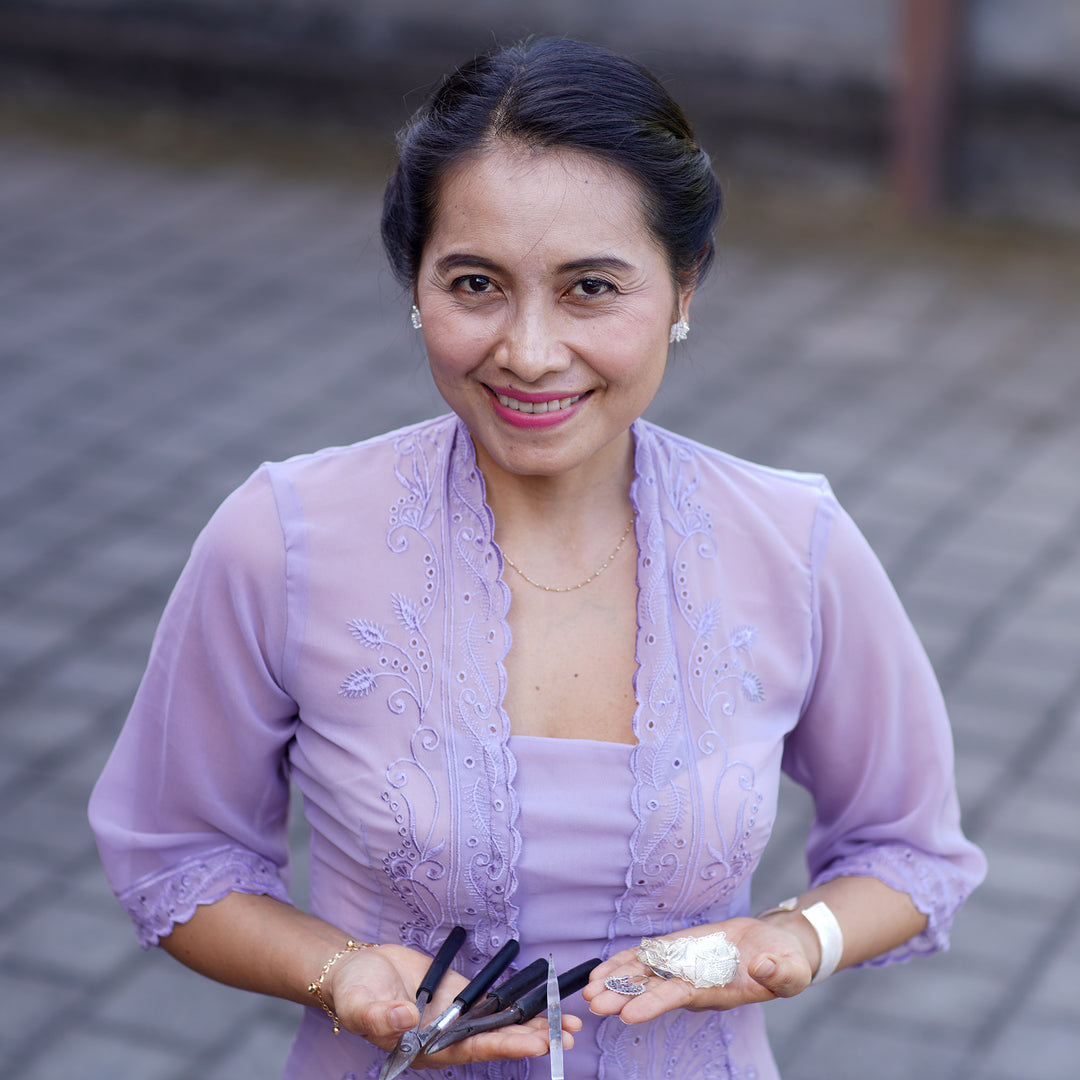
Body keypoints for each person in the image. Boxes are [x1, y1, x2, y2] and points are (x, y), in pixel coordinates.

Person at [89, 36, 986, 1080]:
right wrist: (343, 975)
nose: (528, 350)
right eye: (475, 283)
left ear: (684, 289)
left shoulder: (795, 543)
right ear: (415, 286)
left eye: (591, 288)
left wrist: (794, 942)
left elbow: (911, 852)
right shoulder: (282, 536)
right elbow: (176, 857)